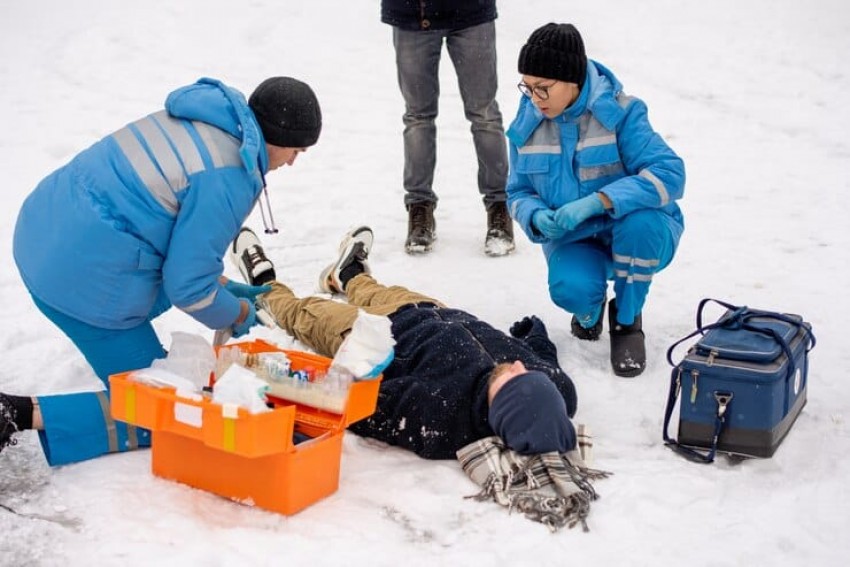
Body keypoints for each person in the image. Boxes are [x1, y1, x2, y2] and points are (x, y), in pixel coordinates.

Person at [0, 76, 322, 465]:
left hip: (42, 232)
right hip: (78, 281)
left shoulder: (208, 120)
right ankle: (17, 413)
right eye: (296, 151)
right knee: (166, 411)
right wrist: (238, 314)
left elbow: (164, 231)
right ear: (279, 138)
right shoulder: (229, 175)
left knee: (192, 288)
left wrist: (226, 289)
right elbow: (187, 288)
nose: (292, 162)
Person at [228, 226, 577, 459]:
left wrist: (281, 386)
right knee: (372, 289)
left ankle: (265, 286)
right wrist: (534, 332)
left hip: (377, 334)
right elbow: (542, 358)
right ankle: (348, 275)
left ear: (500, 406)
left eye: (514, 377)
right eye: (527, 370)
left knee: (307, 314)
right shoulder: (553, 388)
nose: (519, 365)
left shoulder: (439, 415)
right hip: (431, 309)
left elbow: (360, 407)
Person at [506, 23, 685, 378]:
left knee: (641, 224)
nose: (534, 98)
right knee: (569, 288)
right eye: (527, 86)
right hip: (574, 236)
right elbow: (517, 191)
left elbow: (670, 173)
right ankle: (590, 310)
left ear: (572, 80)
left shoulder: (622, 113)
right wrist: (535, 215)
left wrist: (600, 200)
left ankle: (628, 320)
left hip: (635, 229)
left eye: (543, 88)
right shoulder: (526, 124)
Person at [380, 0, 514, 256]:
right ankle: (419, 207)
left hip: (472, 13)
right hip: (412, 15)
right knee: (418, 117)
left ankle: (499, 207)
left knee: (484, 114)